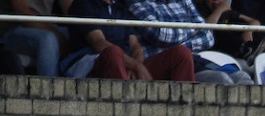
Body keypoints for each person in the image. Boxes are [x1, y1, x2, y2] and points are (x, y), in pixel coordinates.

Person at [63, 0, 196, 81]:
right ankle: (125, 108)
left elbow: (136, 46)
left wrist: (135, 67)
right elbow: (99, 44)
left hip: (127, 65)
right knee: (113, 52)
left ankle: (185, 109)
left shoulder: (121, 7)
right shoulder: (83, 4)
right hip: (94, 63)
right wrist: (137, 66)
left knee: (181, 53)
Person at [126, 0, 253, 84]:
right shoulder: (138, 3)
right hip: (165, 64)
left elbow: (208, 37)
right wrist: (194, 29)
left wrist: (181, 43)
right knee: (220, 79)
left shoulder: (184, 1)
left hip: (194, 59)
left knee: (242, 77)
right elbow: (161, 34)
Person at [0, 0, 62, 77]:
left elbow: (69, 8)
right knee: (48, 40)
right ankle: (49, 83)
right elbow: (21, 11)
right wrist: (60, 38)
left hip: (47, 27)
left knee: (68, 34)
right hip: (6, 33)